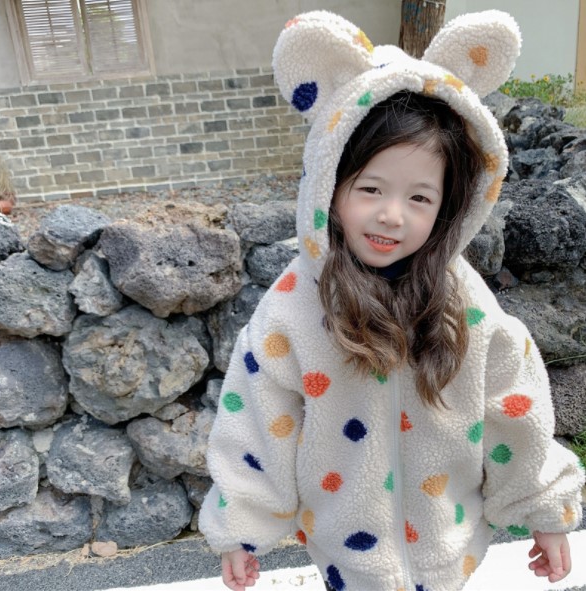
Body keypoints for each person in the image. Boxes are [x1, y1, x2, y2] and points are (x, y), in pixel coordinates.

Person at [199, 10, 585, 591]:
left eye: (419, 197)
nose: (391, 215)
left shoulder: (464, 303)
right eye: (371, 188)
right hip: (345, 555)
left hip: (451, 547)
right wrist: (241, 528)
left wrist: (544, 510)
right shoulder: (294, 308)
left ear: (451, 205)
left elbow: (514, 404)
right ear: (330, 184)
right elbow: (256, 421)